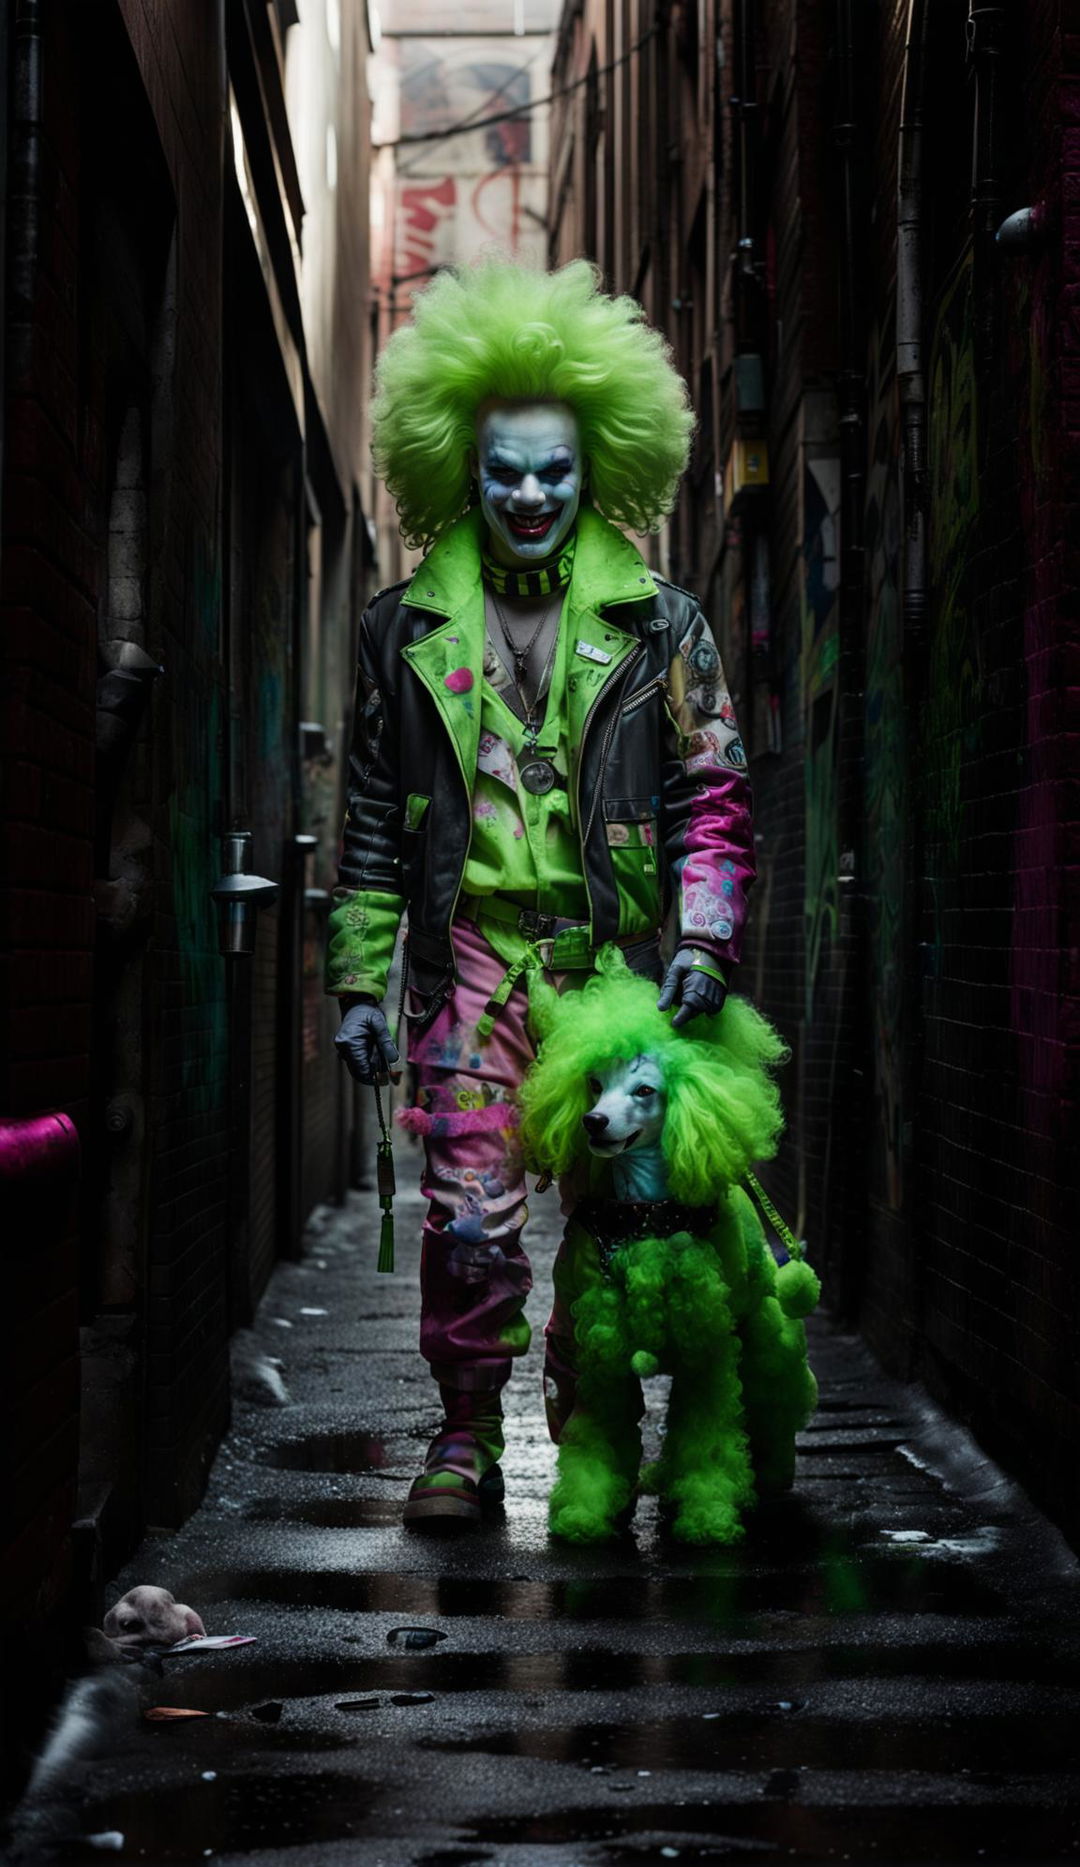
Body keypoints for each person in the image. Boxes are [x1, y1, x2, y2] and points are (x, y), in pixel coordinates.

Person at [328, 259, 755, 1528]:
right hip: (470, 965)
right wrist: (360, 978)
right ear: (463, 465)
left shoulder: (661, 625)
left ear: (595, 471)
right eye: (505, 469)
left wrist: (708, 939)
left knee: (622, 1219)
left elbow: (713, 794)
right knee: (469, 1214)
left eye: (553, 473)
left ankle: (589, 1416)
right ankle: (463, 1440)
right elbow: (365, 820)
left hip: (614, 974)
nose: (527, 494)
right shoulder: (399, 631)